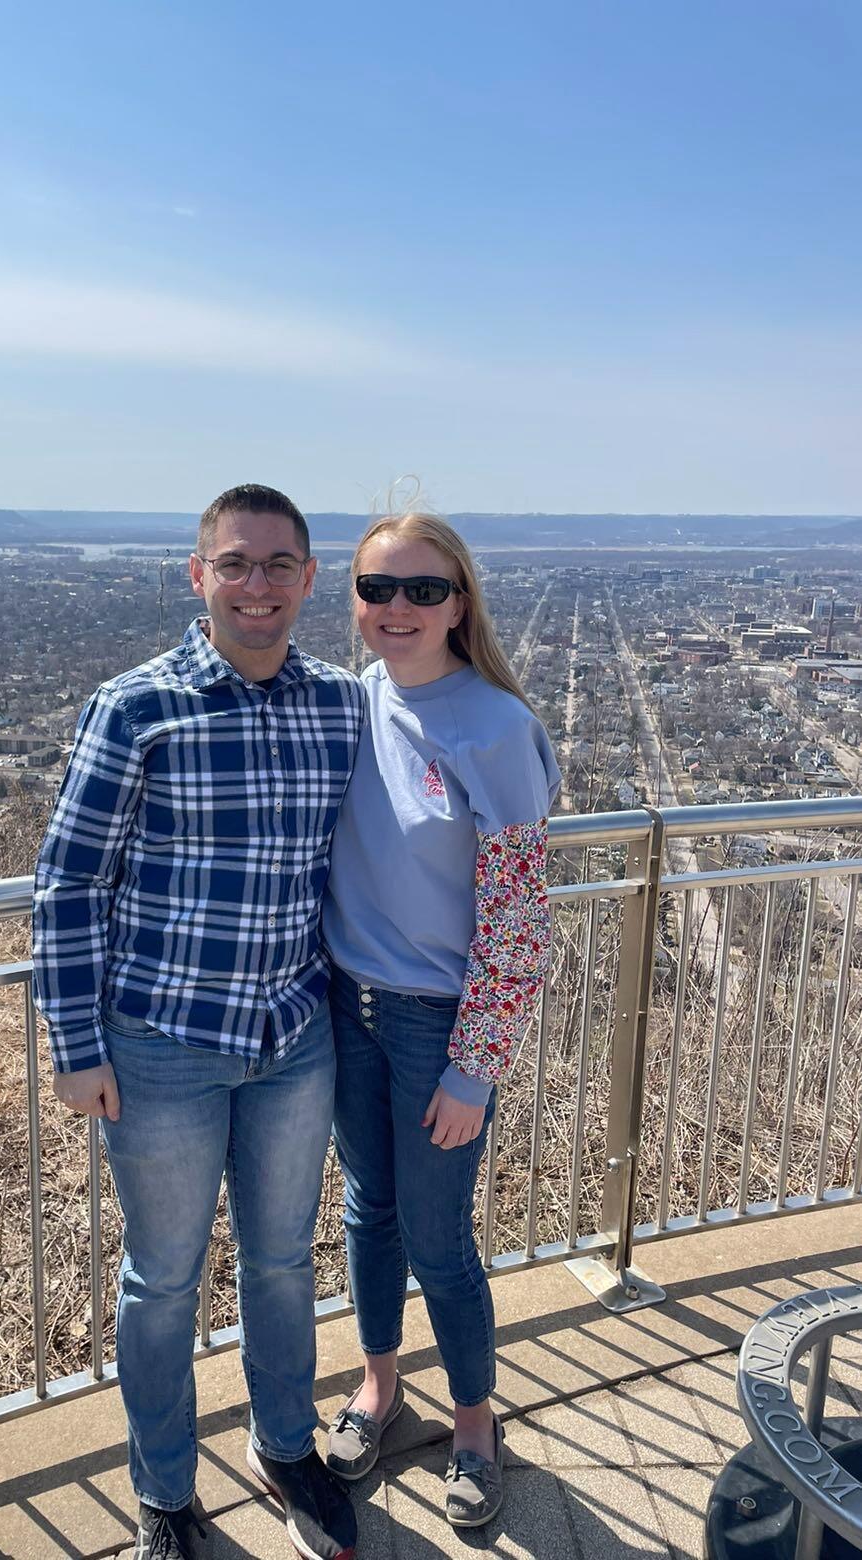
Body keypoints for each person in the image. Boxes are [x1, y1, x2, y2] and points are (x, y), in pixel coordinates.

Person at [32, 484, 363, 1560]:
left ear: (308, 579)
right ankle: (165, 1492)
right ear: (199, 575)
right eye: (235, 563)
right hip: (162, 1046)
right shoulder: (136, 707)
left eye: (278, 565)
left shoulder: (339, 706)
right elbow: (70, 883)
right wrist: (75, 1046)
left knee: (283, 1262)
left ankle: (286, 1445)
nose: (256, 585)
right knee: (165, 1279)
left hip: (293, 1040)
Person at [322, 510, 559, 1529]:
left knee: (438, 1238)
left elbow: (518, 919)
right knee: (366, 1213)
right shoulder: (356, 699)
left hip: (435, 1026)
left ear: (460, 603)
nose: (399, 607)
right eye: (378, 588)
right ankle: (380, 1386)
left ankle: (473, 1423)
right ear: (355, 601)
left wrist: (474, 1069)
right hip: (345, 1007)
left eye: (424, 589)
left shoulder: (494, 728)